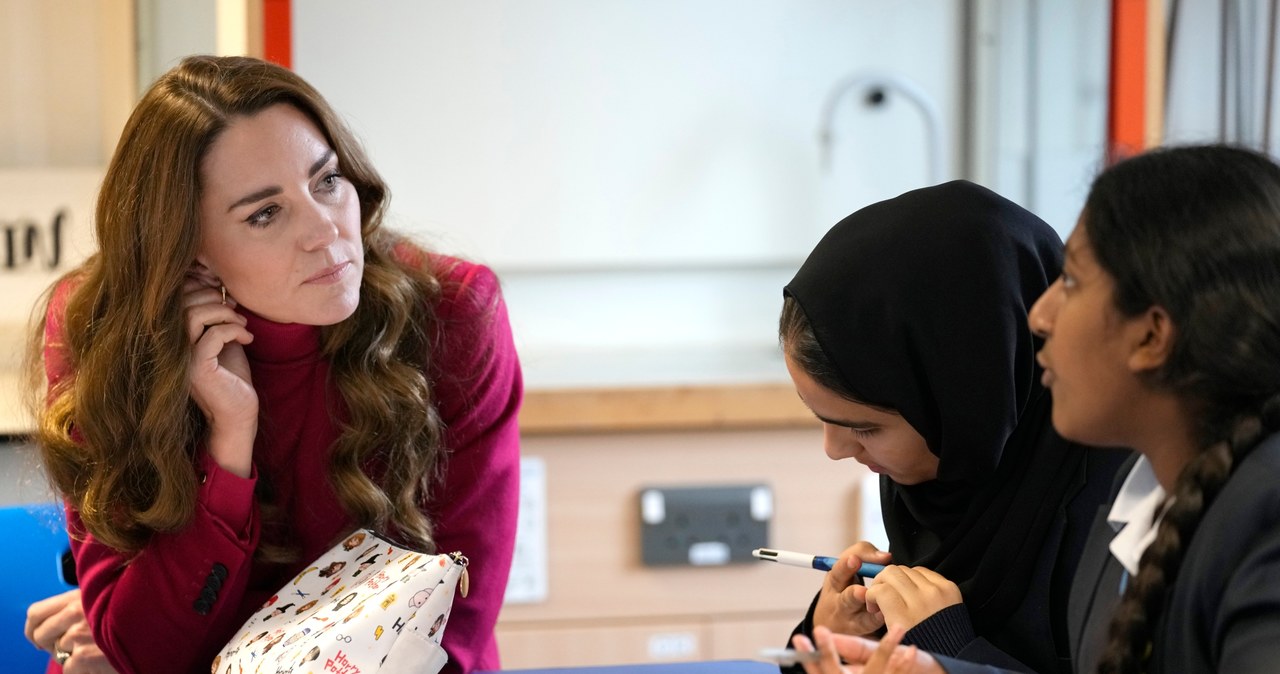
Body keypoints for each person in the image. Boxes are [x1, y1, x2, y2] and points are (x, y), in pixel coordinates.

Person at [21, 55, 522, 674]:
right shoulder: (99, 329)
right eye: (265, 213)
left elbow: (449, 630)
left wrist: (215, 638)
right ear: (189, 251)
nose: (327, 231)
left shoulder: (453, 313)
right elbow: (145, 649)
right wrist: (230, 442)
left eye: (326, 181)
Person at [792, 145, 1280, 673]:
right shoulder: (1134, 501)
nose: (1039, 314)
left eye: (1069, 282)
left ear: (1152, 334)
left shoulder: (1253, 520)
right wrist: (825, 642)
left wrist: (952, 654)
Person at [779, 180, 1129, 673]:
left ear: (965, 399)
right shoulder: (933, 486)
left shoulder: (1119, 505)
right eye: (822, 420)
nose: (835, 450)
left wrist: (950, 649)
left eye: (864, 429)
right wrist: (825, 637)